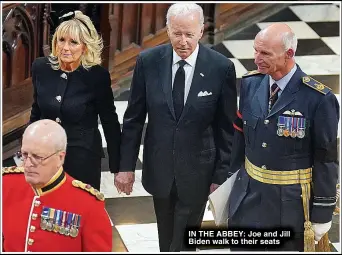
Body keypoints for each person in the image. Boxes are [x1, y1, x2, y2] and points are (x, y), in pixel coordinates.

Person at [115, 3, 237, 252]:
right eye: (177, 33)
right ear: (167, 30)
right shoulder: (148, 62)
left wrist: (220, 176)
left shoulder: (220, 67)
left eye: (189, 34)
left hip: (199, 172)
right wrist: (125, 167)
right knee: (166, 235)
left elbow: (226, 129)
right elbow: (134, 118)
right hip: (159, 168)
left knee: (183, 240)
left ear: (201, 31)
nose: (183, 41)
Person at [227, 23, 339, 251]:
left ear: (289, 54)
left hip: (291, 206)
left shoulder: (318, 99)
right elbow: (241, 138)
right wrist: (229, 185)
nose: (256, 59)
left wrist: (323, 212)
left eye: (265, 53)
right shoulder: (250, 84)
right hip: (248, 196)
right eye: (255, 50)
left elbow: (326, 159)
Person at [28, 10, 121, 190]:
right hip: (45, 158)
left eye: (73, 42)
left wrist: (119, 166)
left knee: (77, 215)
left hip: (82, 160)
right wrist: (28, 151)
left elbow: (110, 122)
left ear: (85, 47)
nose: (65, 47)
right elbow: (36, 111)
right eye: (61, 40)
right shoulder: (41, 67)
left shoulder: (97, 76)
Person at [2, 119, 112, 252]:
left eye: (37, 157)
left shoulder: (88, 205)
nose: (28, 164)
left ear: (60, 158)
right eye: (24, 155)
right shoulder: (6, 184)